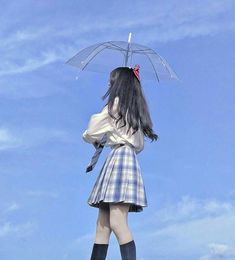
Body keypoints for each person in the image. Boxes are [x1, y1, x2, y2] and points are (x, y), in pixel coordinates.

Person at [82, 65, 158, 260]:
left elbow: (91, 131)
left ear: (119, 84)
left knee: (116, 221)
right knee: (103, 225)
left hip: (118, 160)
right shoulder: (133, 109)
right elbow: (138, 145)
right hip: (127, 158)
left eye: (111, 80)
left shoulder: (114, 105)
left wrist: (95, 138)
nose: (109, 83)